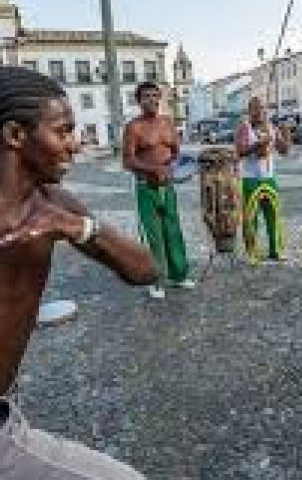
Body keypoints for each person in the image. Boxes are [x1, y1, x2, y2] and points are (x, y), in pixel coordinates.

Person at [0, 66, 157, 478]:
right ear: (16, 136)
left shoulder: (54, 204)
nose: (76, 145)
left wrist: (78, 228)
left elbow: (145, 270)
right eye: (63, 131)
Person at [123, 82, 194, 299]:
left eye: (155, 95)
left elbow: (175, 154)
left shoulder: (167, 123)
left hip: (167, 187)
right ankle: (155, 280)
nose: (152, 100)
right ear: (139, 100)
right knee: (153, 236)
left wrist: (179, 170)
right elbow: (128, 161)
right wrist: (153, 169)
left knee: (173, 230)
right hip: (146, 188)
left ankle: (178, 275)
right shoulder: (134, 127)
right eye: (147, 96)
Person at [235, 97, 291, 264]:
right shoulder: (244, 128)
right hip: (250, 179)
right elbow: (239, 151)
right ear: (249, 110)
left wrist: (286, 135)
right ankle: (253, 253)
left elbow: (284, 151)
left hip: (269, 178)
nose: (260, 111)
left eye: (263, 108)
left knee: (274, 216)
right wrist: (257, 145)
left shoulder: (272, 128)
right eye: (256, 108)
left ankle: (276, 250)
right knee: (250, 219)